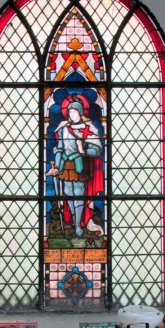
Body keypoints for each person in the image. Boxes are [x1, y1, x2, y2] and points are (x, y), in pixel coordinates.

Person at [46, 100, 104, 237]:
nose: (71, 114)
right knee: (68, 194)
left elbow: (96, 150)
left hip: (80, 165)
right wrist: (57, 168)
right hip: (66, 166)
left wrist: (82, 149)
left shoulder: (88, 128)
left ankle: (78, 225)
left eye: (74, 111)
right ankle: (73, 222)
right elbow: (60, 149)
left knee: (79, 195)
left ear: (80, 112)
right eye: (70, 112)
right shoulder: (63, 128)